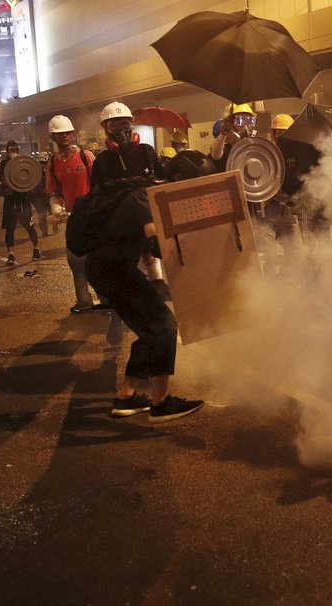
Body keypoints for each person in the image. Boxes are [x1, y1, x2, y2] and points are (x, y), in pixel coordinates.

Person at [83, 172, 204, 423]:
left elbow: (146, 248)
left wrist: (158, 276)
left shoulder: (144, 194)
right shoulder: (144, 197)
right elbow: (154, 240)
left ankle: (126, 396)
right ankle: (161, 401)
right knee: (165, 326)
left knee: (150, 330)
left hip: (111, 269)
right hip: (112, 271)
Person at [90, 101, 165, 284]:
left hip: (147, 220)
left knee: (150, 258)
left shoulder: (147, 152)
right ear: (107, 130)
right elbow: (97, 195)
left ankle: (158, 282)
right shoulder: (102, 161)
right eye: (114, 125)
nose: (121, 129)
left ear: (132, 126)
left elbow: (162, 183)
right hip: (121, 222)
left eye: (125, 123)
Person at [45, 114, 99, 313]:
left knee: (97, 258)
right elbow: (55, 192)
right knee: (75, 260)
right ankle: (84, 300)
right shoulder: (52, 163)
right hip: (73, 219)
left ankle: (106, 298)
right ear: (53, 137)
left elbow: (99, 184)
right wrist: (57, 208)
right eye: (60, 134)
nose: (65, 137)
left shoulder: (86, 156)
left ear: (73, 134)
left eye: (68, 133)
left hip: (92, 216)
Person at [0, 140, 42, 265]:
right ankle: (11, 255)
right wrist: (2, 185)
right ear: (7, 150)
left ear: (18, 150)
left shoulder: (25, 162)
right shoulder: (2, 164)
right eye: (11, 149)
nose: (13, 151)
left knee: (29, 226)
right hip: (10, 200)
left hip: (23, 199)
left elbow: (32, 178)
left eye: (15, 149)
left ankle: (36, 249)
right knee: (10, 228)